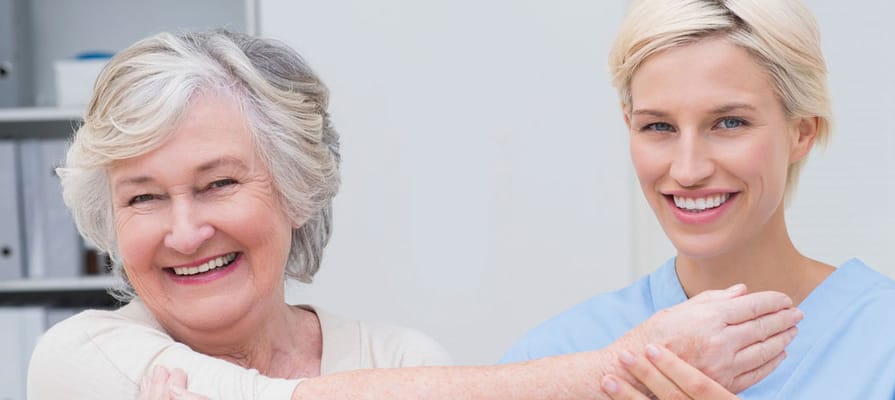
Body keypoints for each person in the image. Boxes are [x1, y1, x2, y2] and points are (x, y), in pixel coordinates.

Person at [26, 29, 804, 400]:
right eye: (143, 197)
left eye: (220, 183)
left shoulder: (398, 358)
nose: (185, 230)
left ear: (296, 190)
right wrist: (627, 364)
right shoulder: (81, 360)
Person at [500, 1, 895, 399]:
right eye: (658, 126)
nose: (688, 169)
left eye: (730, 122)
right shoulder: (560, 358)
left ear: (802, 132)